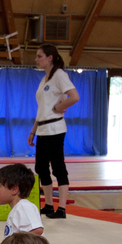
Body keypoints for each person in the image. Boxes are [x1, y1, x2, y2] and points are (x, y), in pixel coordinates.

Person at [27, 44, 79, 220]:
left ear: (50, 58)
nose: (36, 59)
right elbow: (41, 108)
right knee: (41, 167)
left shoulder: (59, 75)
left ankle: (61, 208)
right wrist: (33, 131)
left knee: (58, 167)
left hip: (55, 128)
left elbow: (74, 96)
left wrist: (59, 107)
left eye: (39, 56)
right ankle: (48, 204)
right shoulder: (44, 79)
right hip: (42, 128)